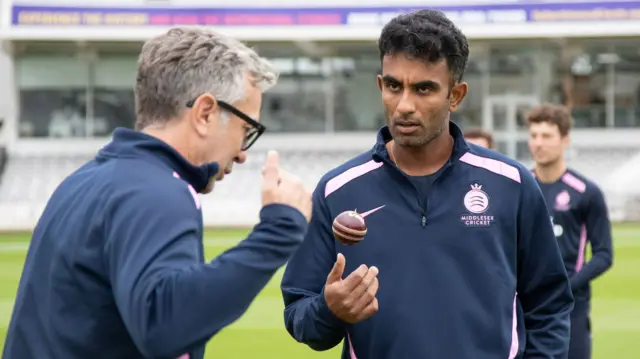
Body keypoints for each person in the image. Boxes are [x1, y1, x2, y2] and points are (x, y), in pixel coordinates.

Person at [280, 10, 574, 359]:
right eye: (393, 86)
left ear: (455, 95)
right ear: (380, 86)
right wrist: (330, 311)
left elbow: (549, 304)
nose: (404, 105)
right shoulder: (338, 190)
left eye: (423, 89)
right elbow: (299, 312)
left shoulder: (512, 184)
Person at [3, 28, 312, 359]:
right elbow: (164, 326)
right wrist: (278, 231)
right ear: (206, 112)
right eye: (246, 130)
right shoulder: (155, 190)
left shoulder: (85, 181)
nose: (243, 153)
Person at [527, 103, 613, 359]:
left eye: (546, 136)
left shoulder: (586, 192)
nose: (538, 143)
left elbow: (604, 254)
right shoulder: (519, 187)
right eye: (533, 136)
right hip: (526, 306)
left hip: (570, 307)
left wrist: (565, 285)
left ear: (565, 140)